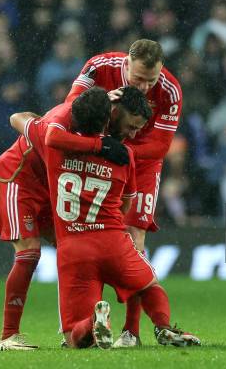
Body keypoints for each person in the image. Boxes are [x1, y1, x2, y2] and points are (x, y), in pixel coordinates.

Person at [13, 86, 200, 348]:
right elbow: (125, 204)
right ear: (110, 117)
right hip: (112, 240)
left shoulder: (53, 143)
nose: (133, 133)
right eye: (133, 126)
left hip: (73, 247)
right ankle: (163, 327)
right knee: (148, 285)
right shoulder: (124, 156)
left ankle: (93, 322)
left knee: (73, 338)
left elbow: (18, 119)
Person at [0, 89, 129, 351]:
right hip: (16, 181)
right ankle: (8, 336)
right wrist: (100, 146)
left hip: (48, 189)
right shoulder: (52, 128)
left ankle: (75, 325)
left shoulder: (89, 117)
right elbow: (17, 118)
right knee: (29, 254)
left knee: (78, 250)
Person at [65, 39, 182, 347]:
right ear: (126, 64)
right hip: (97, 155)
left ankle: (131, 331)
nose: (144, 86)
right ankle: (89, 321)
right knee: (94, 236)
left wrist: (121, 150)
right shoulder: (100, 66)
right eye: (138, 79)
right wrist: (103, 100)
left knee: (134, 238)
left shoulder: (170, 90)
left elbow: (160, 146)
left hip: (139, 164)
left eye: (151, 80)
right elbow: (71, 106)